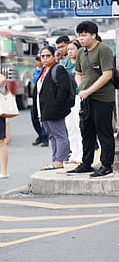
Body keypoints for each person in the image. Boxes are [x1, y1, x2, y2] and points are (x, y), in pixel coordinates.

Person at [67, 21, 115, 178]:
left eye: (84, 35)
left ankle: (106, 165)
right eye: (79, 35)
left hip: (102, 98)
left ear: (93, 35)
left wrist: (89, 91)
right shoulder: (81, 52)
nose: (81, 38)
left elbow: (107, 74)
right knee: (86, 131)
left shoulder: (103, 50)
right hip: (86, 98)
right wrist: (82, 88)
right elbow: (78, 73)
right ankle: (86, 163)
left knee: (104, 132)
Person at [33, 46, 71, 171]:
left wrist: (56, 106)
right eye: (42, 56)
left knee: (60, 135)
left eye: (47, 55)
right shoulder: (44, 70)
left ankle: (60, 160)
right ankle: (55, 160)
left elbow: (64, 90)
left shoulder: (58, 69)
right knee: (52, 136)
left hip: (54, 110)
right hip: (44, 110)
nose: (45, 58)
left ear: (54, 55)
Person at [64, 40, 83, 164]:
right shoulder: (65, 63)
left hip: (78, 96)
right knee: (70, 126)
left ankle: (82, 153)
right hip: (67, 98)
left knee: (79, 125)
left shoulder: (81, 63)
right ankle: (74, 152)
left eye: (72, 49)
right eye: (68, 49)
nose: (70, 51)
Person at [31, 54, 49, 147]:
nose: (39, 61)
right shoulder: (35, 70)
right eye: (37, 59)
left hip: (43, 96)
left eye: (40, 59)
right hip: (35, 94)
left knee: (43, 118)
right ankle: (40, 134)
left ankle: (45, 137)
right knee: (34, 117)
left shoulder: (45, 70)